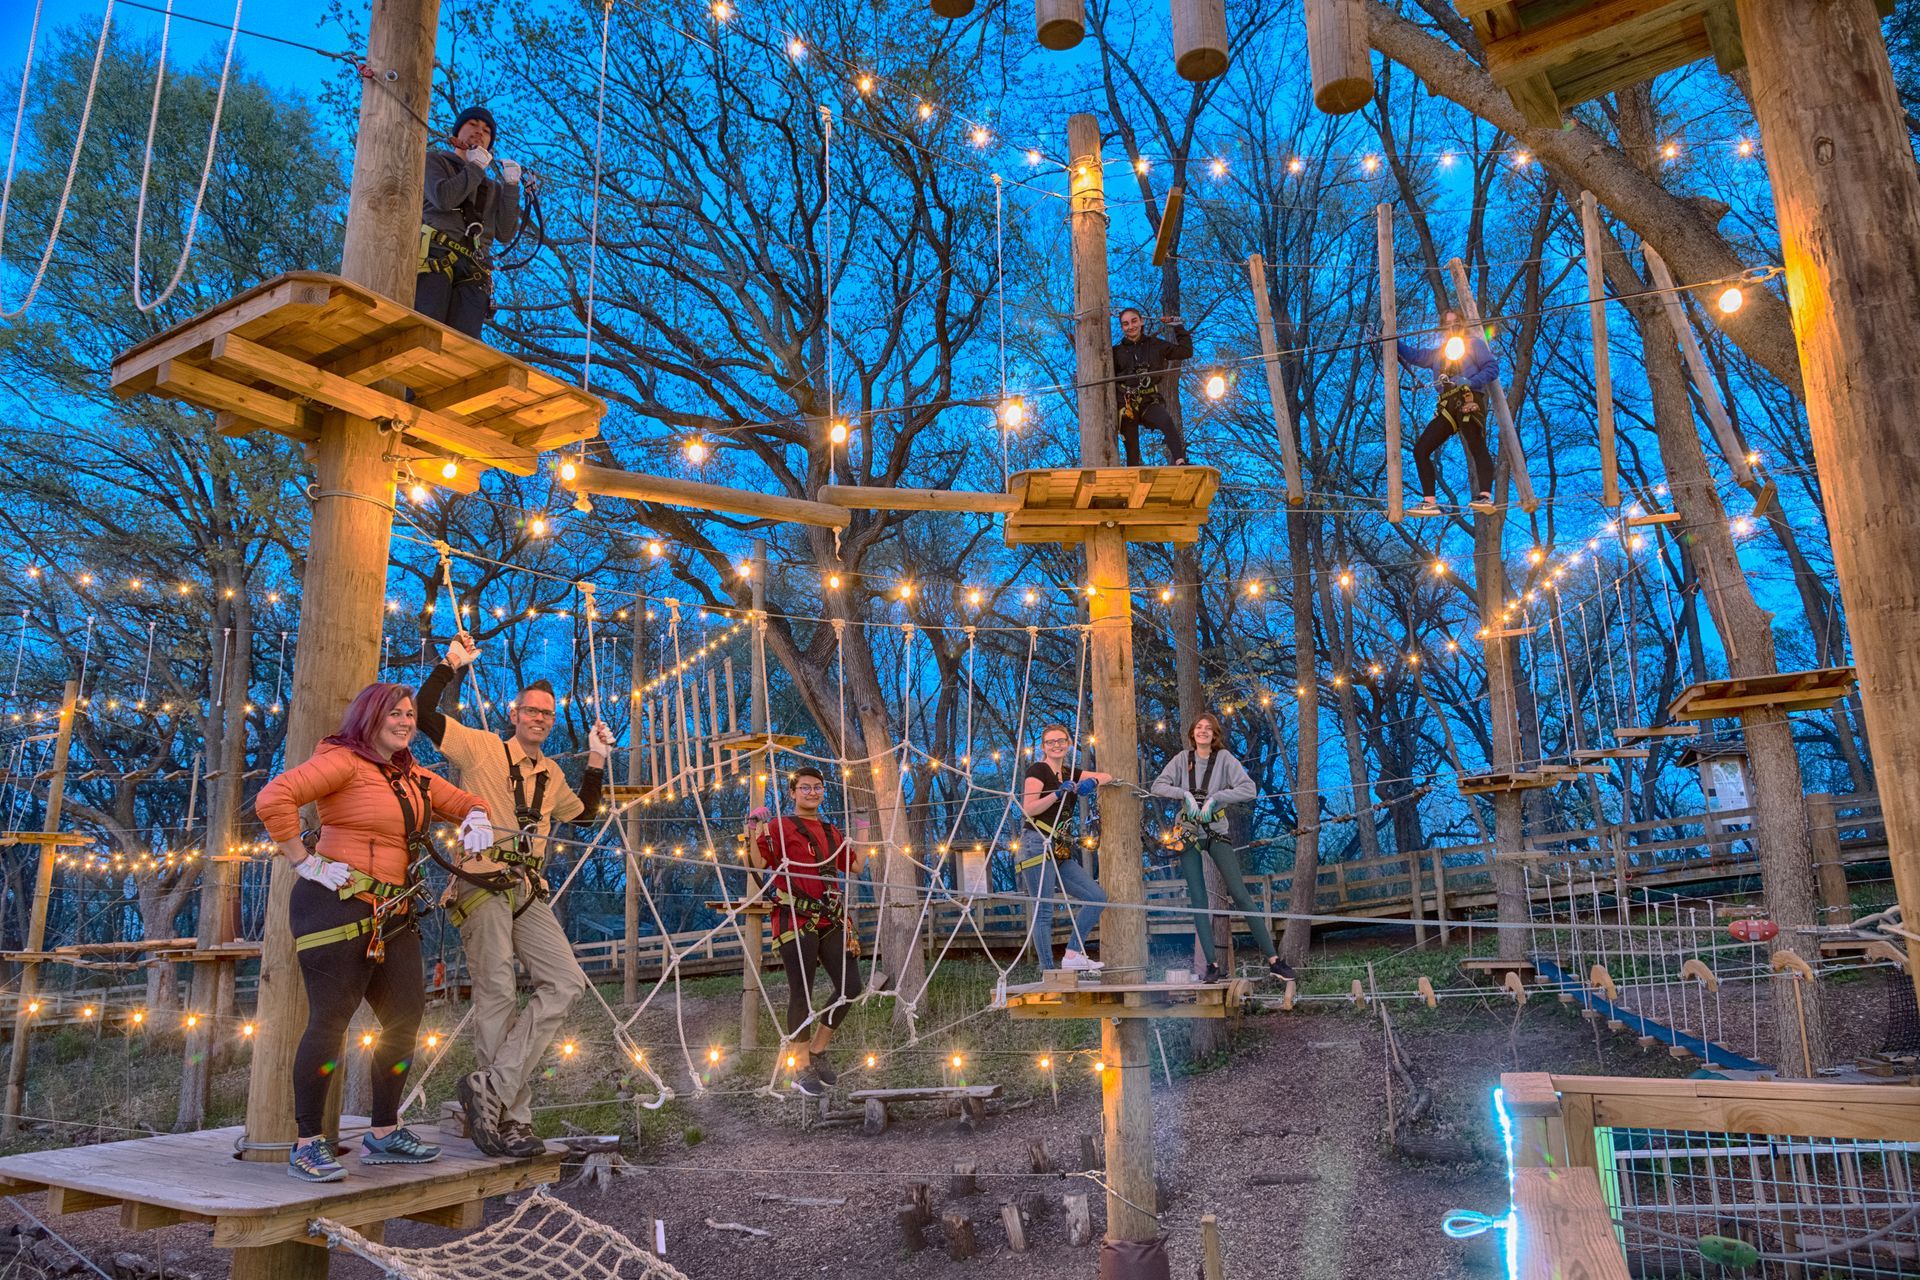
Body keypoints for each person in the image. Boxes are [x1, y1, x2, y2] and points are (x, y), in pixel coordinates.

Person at [255, 683, 495, 1183]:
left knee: (405, 1018)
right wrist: (304, 861)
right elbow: (274, 797)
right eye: (395, 713)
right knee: (331, 1021)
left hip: (396, 912)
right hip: (335, 905)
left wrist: (476, 817)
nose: (405, 722)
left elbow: (467, 800)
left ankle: (385, 1133)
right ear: (369, 717)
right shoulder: (342, 761)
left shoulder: (413, 777)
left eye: (410, 714)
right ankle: (306, 1142)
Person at [416, 633, 609, 1158]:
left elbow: (583, 813)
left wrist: (596, 758)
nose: (540, 719)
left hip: (528, 890)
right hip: (482, 883)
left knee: (566, 982)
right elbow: (422, 713)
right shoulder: (480, 747)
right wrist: (448, 666)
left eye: (547, 713)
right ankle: (514, 1120)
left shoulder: (552, 773)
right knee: (498, 994)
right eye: (532, 711)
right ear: (515, 712)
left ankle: (492, 1092)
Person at [1149, 711, 1295, 984]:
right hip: (1189, 833)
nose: (1203, 731)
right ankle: (1212, 965)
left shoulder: (1225, 760)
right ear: (1192, 733)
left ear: (1215, 735)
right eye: (1198, 727)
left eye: (1208, 728)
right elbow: (1158, 785)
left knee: (1239, 893)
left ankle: (1274, 960)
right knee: (1198, 898)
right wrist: (1185, 794)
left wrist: (1216, 798)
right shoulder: (1182, 759)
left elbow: (1248, 789)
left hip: (1216, 831)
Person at [748, 767, 863, 1097]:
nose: (813, 793)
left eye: (818, 788)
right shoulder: (780, 827)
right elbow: (758, 864)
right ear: (793, 792)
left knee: (850, 986)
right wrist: (753, 830)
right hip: (795, 916)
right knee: (802, 991)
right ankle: (798, 1066)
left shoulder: (831, 831)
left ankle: (816, 1049)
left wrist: (864, 828)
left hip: (831, 917)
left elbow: (856, 866)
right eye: (805, 788)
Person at [415, 106, 522, 338]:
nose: (479, 132)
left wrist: (511, 189)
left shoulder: (491, 188)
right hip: (437, 255)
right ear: (458, 131)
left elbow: (504, 232)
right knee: (425, 331)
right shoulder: (435, 162)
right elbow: (444, 198)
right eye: (472, 125)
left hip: (475, 268)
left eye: (486, 130)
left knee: (461, 343)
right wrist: (474, 167)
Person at [1016, 724, 1114, 972]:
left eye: (1061, 740)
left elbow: (1107, 776)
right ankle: (1048, 970)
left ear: (1069, 743)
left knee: (1096, 897)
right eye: (1050, 742)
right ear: (1043, 747)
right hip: (1036, 842)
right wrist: (1056, 795)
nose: (1056, 745)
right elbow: (1028, 808)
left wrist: (1090, 782)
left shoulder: (1070, 772)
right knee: (1044, 910)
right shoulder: (1038, 770)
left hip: (1059, 847)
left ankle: (1071, 954)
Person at [1392, 311, 1500, 514]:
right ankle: (1429, 501)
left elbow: (1492, 368)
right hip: (1446, 406)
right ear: (1443, 328)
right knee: (1421, 450)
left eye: (1456, 322)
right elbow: (1414, 355)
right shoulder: (1438, 354)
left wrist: (1471, 381)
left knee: (1475, 442)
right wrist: (1390, 339)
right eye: (1448, 324)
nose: (1452, 327)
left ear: (1463, 324)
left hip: (1469, 398)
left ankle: (1485, 496)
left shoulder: (1474, 344)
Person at [1112, 307, 1194, 467]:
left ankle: (1180, 461)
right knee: (1132, 447)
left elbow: (1185, 351)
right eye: (1125, 324)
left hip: (1148, 400)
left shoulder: (1155, 345)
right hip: (1126, 404)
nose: (1131, 326)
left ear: (1141, 321)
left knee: (1166, 421)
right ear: (1122, 327)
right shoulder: (1115, 352)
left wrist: (1178, 326)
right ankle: (1133, 475)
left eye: (1134, 321)